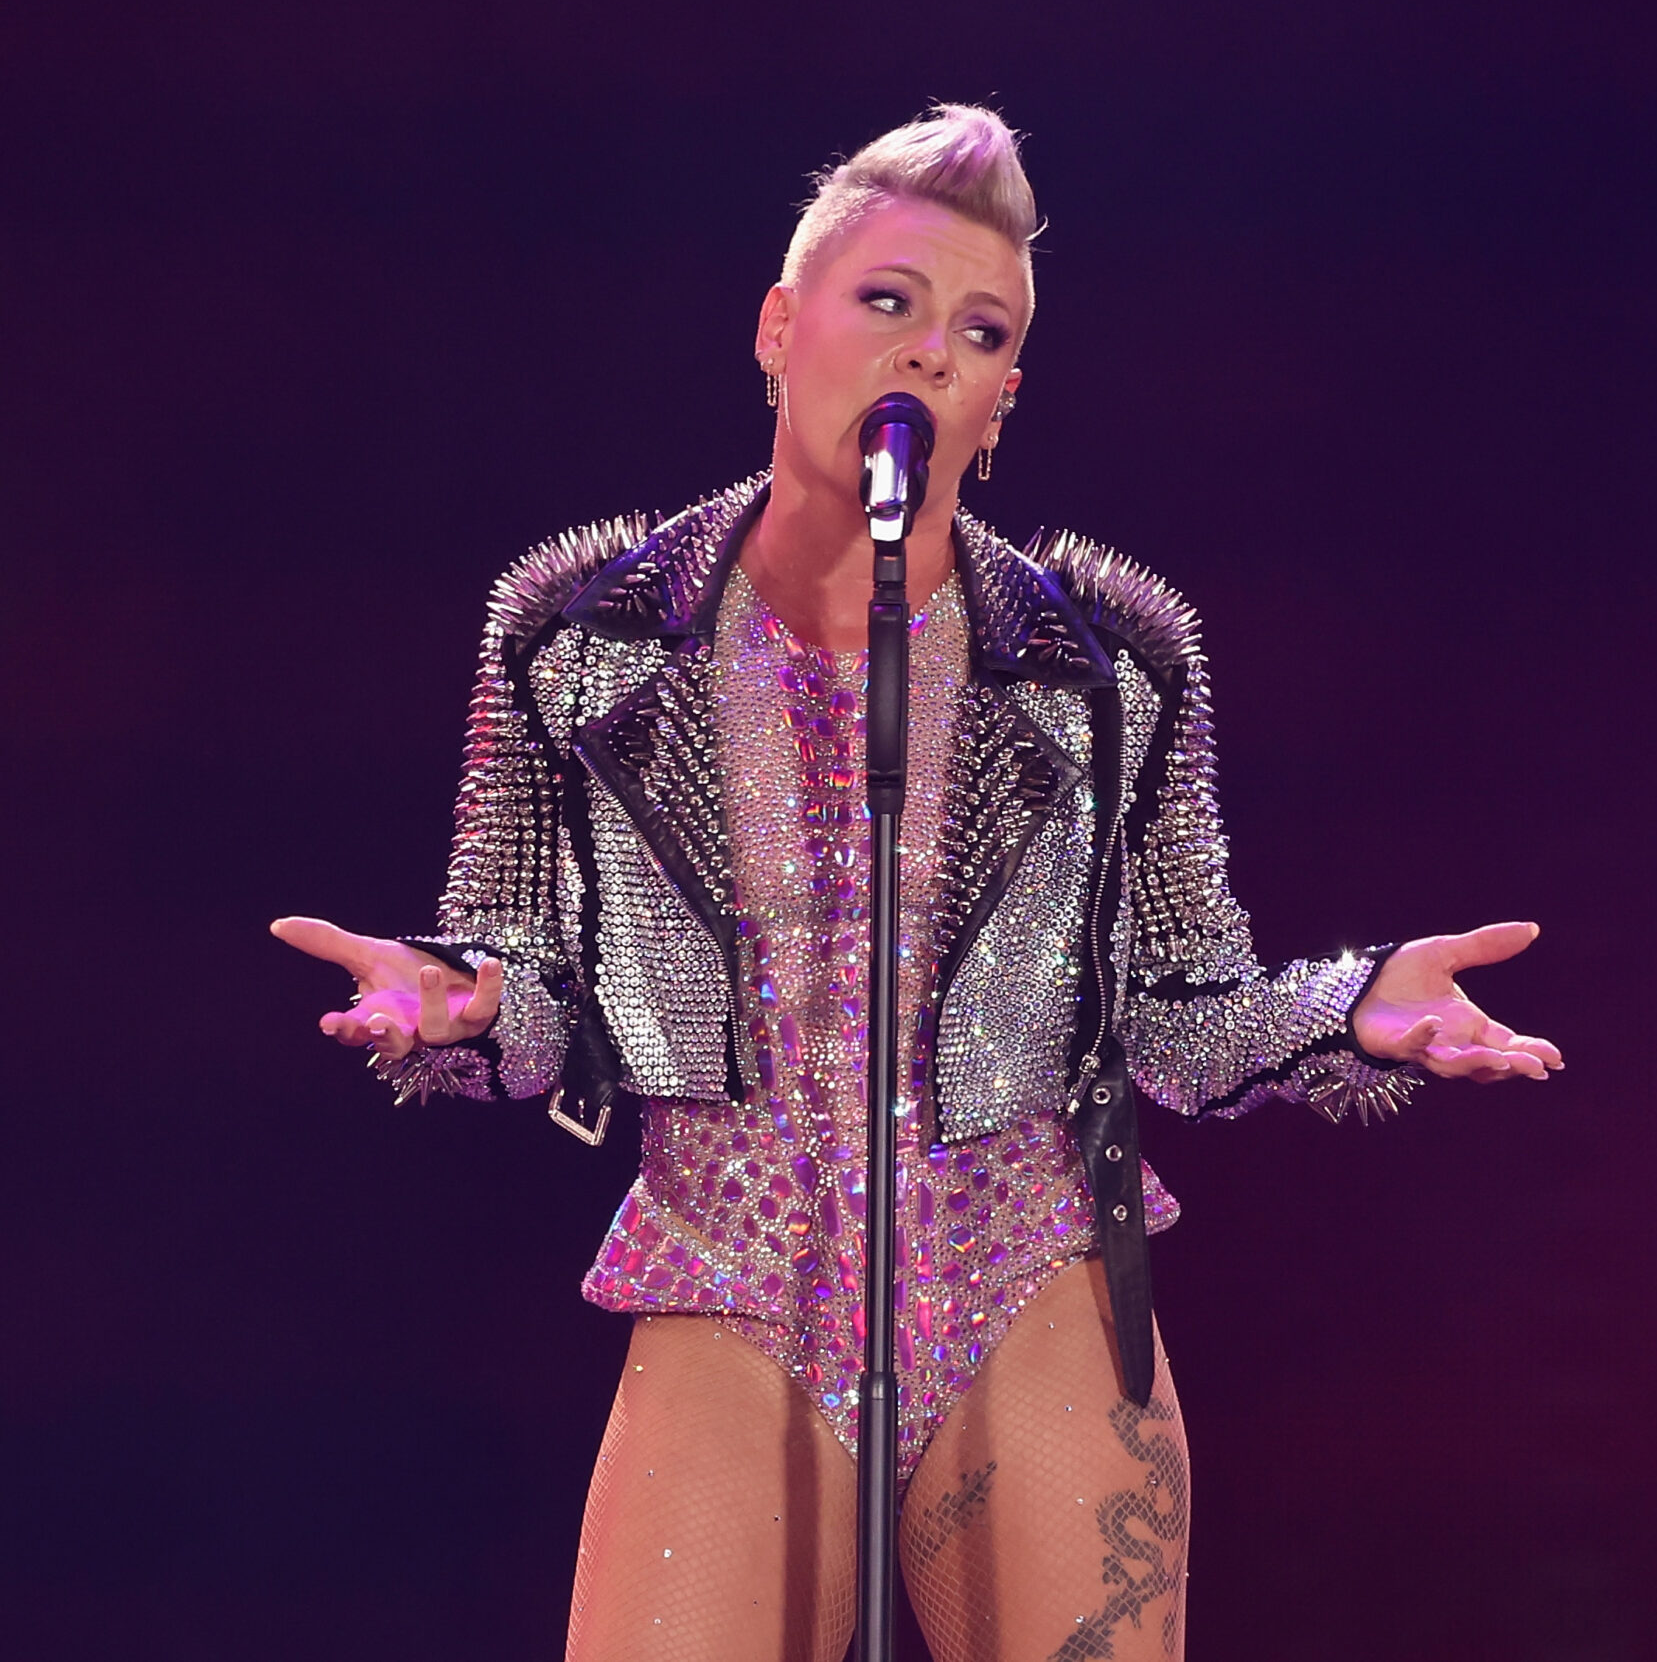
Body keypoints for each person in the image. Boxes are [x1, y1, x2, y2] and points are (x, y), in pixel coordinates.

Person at [274, 104, 1560, 1662]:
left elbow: (1176, 1013)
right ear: (779, 326)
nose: (930, 351)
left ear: (1004, 398)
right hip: (731, 1266)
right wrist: (465, 1000)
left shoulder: (1109, 665)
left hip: (1024, 1276)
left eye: (981, 331)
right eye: (888, 299)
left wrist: (1354, 1010)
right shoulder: (581, 637)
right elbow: (539, 984)